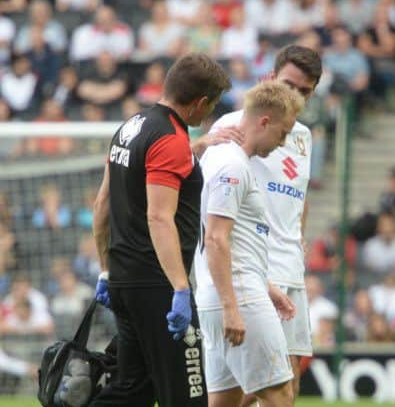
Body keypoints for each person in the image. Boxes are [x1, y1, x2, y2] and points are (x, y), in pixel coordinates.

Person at [90, 53, 231, 407]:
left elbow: (102, 204)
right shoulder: (170, 139)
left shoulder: (130, 126)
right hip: (160, 288)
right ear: (200, 103)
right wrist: (181, 288)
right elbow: (158, 217)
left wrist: (105, 269)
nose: (206, 115)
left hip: (124, 278)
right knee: (189, 397)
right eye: (209, 107)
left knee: (131, 393)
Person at [194, 44, 323, 406]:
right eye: (289, 85)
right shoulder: (234, 126)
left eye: (304, 91)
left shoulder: (303, 137)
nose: (294, 95)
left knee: (285, 380)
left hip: (289, 268)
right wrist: (201, 144)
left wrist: (299, 236)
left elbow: (300, 193)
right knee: (273, 387)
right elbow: (206, 179)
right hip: (252, 267)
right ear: (270, 78)